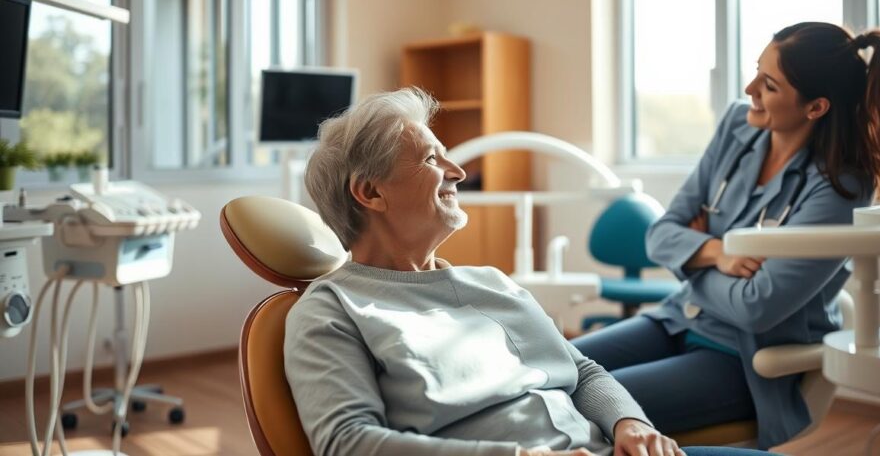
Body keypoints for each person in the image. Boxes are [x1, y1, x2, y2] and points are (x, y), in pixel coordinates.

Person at [288, 87, 766, 456]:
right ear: (370, 194)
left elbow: (581, 372)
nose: (458, 172)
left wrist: (630, 424)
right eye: (433, 158)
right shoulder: (333, 310)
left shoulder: (491, 282)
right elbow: (347, 443)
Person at [573, 22, 880, 449]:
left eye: (769, 85)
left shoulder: (840, 188)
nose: (750, 88)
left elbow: (757, 310)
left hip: (740, 361)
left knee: (579, 404)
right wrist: (717, 254)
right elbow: (660, 235)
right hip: (676, 318)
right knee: (553, 367)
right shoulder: (738, 125)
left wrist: (690, 258)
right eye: (756, 71)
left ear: (815, 107)